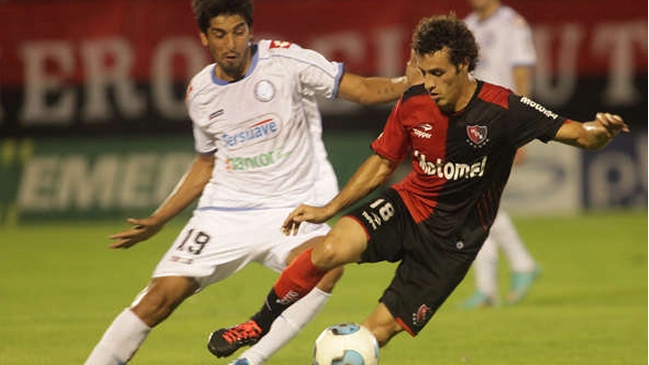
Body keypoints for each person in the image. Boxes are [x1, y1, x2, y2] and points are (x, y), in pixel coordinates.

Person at [209, 14, 628, 355]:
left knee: (371, 336)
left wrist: (600, 132)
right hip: (408, 207)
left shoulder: (504, 109)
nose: (429, 82)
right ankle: (255, 325)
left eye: (439, 73)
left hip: (452, 245)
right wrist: (327, 209)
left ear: (464, 66)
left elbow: (579, 134)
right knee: (331, 248)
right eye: (424, 71)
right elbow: (382, 162)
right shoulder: (414, 101)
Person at [83, 1, 420, 364]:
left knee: (326, 267)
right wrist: (160, 218)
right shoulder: (200, 92)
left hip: (294, 206)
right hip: (226, 211)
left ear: (250, 31)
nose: (231, 44)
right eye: (220, 34)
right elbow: (205, 164)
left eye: (239, 31)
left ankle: (250, 360)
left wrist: (409, 84)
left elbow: (365, 90)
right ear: (203, 38)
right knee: (158, 299)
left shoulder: (286, 62)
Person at [460, 0, 540, 308]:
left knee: (476, 201)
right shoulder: (469, 24)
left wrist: (524, 126)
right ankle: (492, 285)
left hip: (502, 119)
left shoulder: (511, 23)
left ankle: (512, 271)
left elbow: (521, 73)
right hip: (473, 122)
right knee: (477, 203)